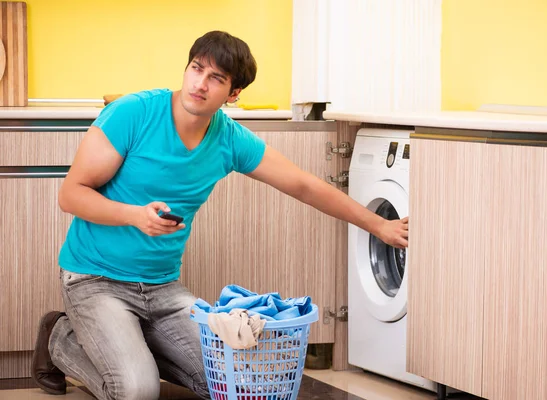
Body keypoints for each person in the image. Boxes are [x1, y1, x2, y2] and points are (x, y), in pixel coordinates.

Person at [31, 30, 409, 400]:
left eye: (216, 78)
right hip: (96, 279)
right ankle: (59, 337)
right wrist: (134, 215)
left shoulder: (229, 139)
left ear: (233, 93)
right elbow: (71, 194)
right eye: (196, 69)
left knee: (234, 386)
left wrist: (380, 225)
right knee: (136, 391)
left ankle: (132, 344)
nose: (200, 83)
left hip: (162, 288)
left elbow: (304, 185)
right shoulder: (134, 113)